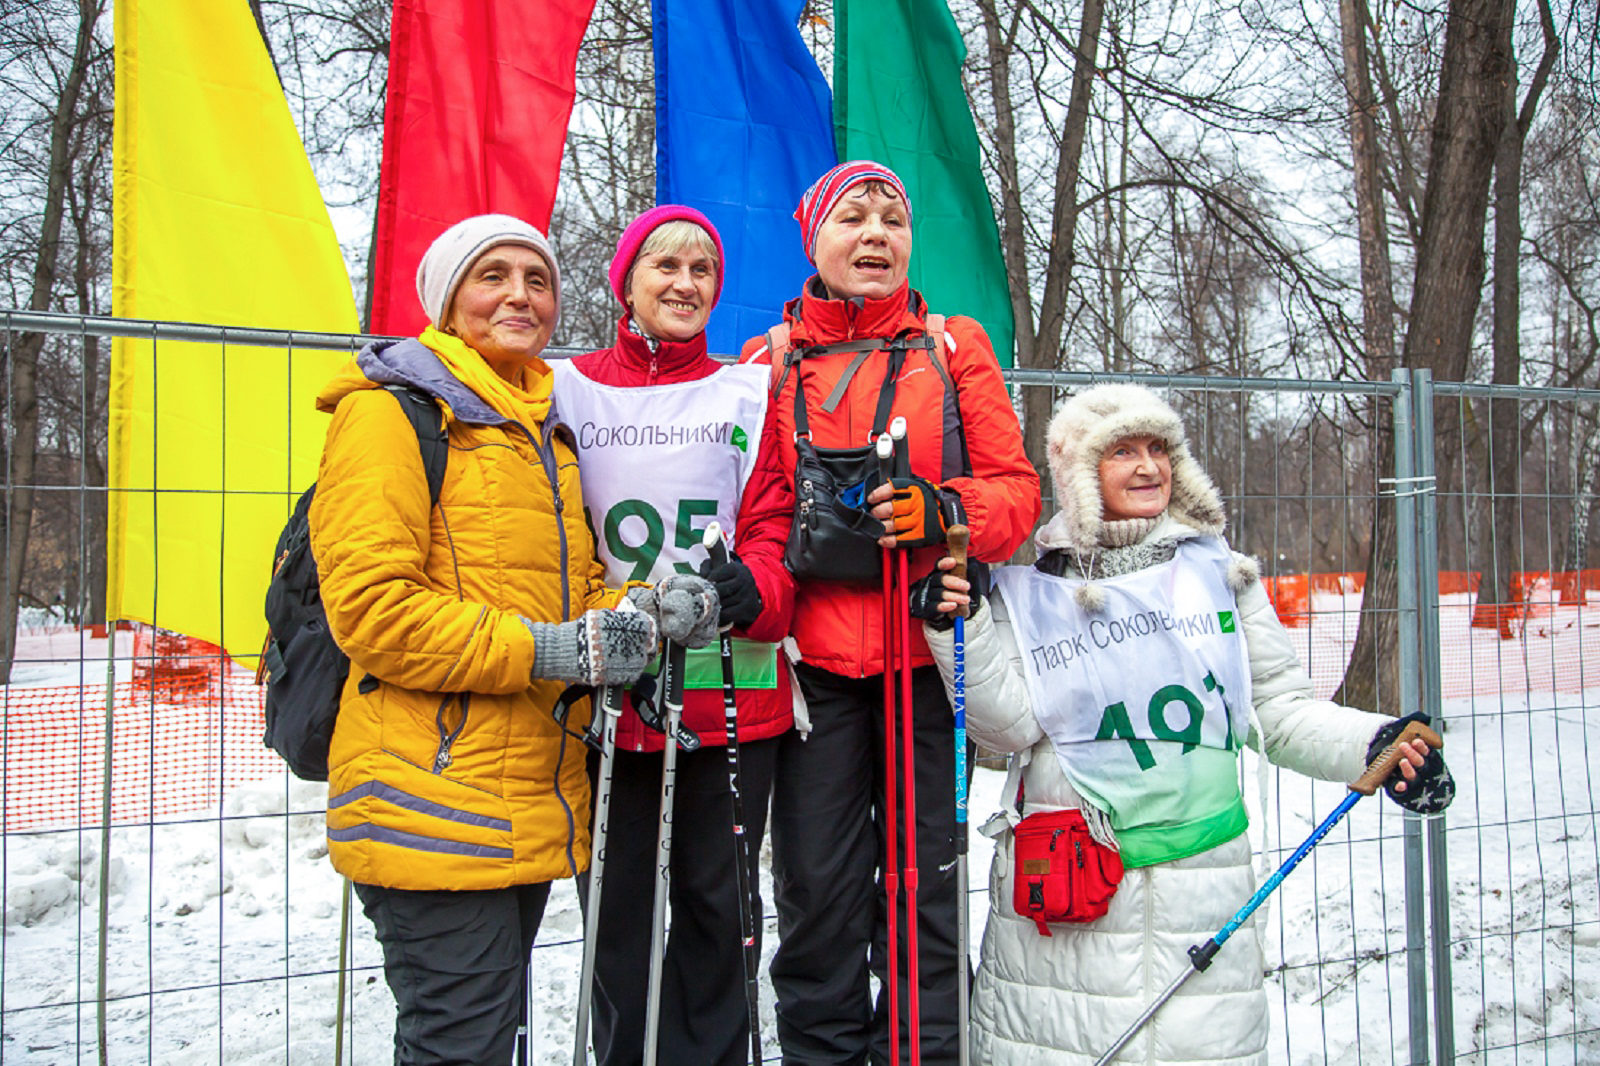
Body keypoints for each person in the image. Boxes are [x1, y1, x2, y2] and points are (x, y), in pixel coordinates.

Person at [916, 382, 1456, 1065]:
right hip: (1066, 916)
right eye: (1123, 452)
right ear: (1080, 471)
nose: (1149, 467)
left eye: (1159, 449)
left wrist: (1375, 745)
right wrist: (955, 626)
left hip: (1199, 902)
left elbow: (1279, 711)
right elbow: (1006, 727)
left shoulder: (1220, 576)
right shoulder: (1035, 591)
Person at [308, 213, 720, 1066]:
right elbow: (374, 609)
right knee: (463, 1044)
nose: (519, 296)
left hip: (522, 796)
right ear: (446, 299)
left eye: (537, 280)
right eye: (491, 276)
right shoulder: (390, 418)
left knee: (496, 1038)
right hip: (428, 792)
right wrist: (552, 652)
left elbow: (577, 596)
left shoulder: (538, 431)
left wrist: (655, 604)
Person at [740, 161, 1041, 1065]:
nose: (875, 235)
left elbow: (1016, 495)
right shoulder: (766, 363)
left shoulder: (955, 347)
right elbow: (751, 514)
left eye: (892, 220)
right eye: (853, 218)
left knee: (925, 895)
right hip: (812, 683)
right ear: (814, 240)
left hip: (926, 670)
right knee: (817, 899)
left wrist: (946, 513)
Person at [554, 205, 796, 1065]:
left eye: (703, 270)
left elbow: (771, 522)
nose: (684, 283)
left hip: (729, 689)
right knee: (617, 917)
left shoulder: (746, 390)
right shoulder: (568, 387)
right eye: (665, 265)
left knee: (719, 911)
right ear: (627, 283)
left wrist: (753, 584)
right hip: (610, 693)